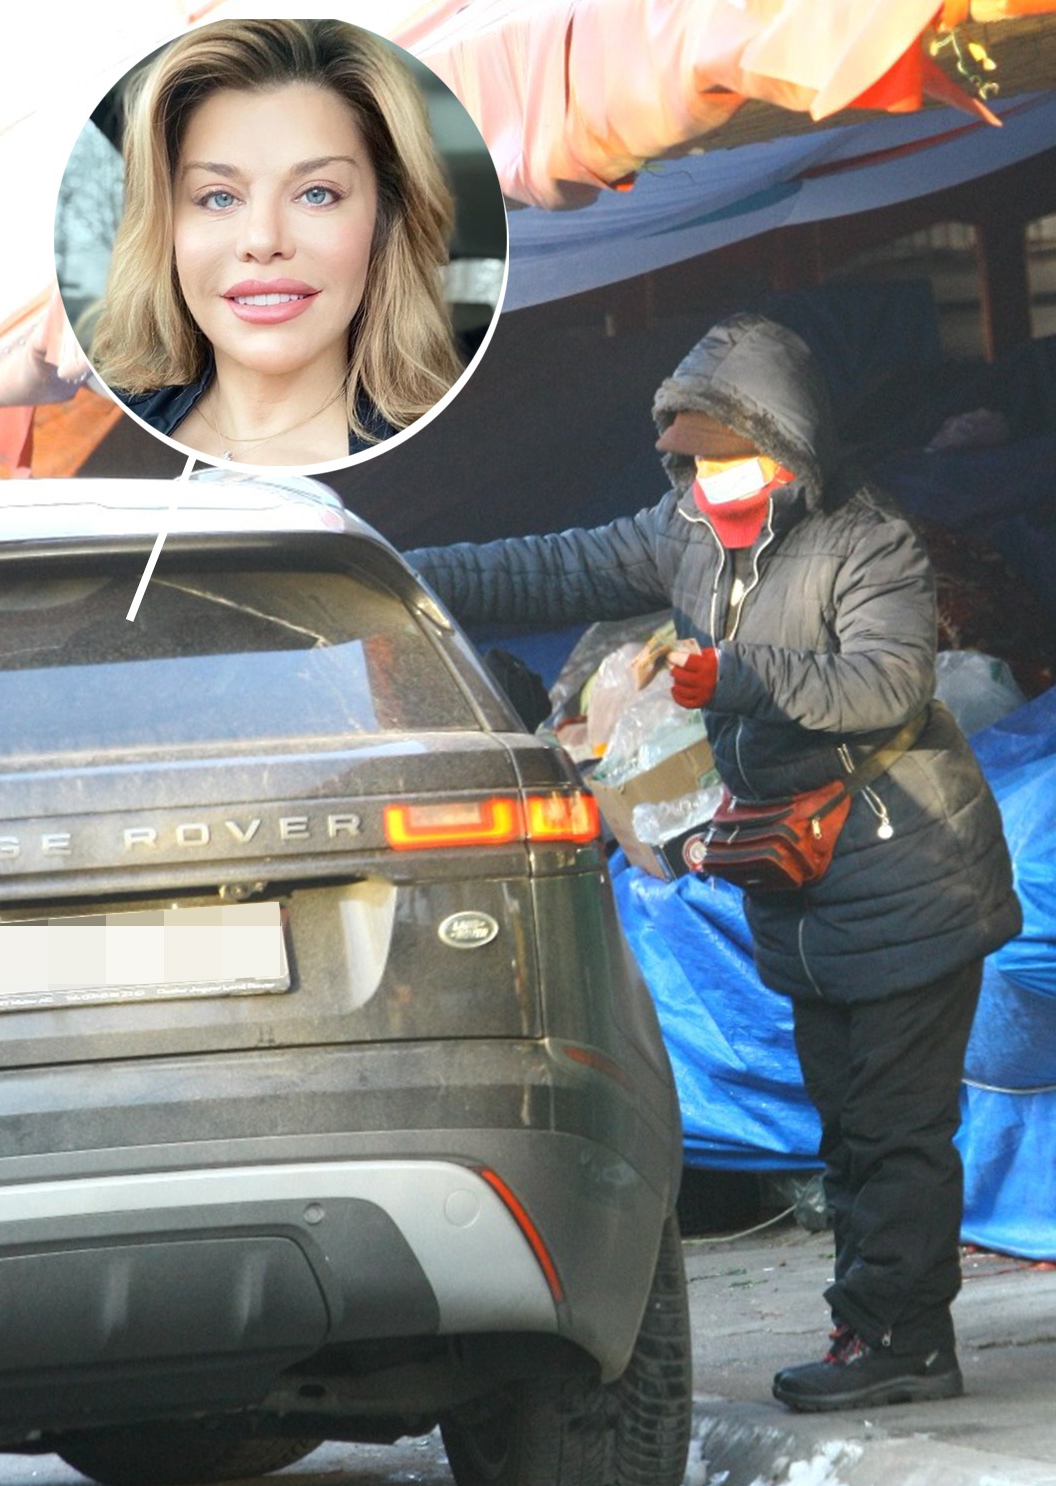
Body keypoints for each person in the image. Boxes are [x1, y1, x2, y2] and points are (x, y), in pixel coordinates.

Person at [408, 310, 1022, 1412]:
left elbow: (888, 685)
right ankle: (871, 1329)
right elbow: (550, 566)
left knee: (896, 1129)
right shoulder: (686, 528)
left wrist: (732, 676)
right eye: (694, 463)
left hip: (911, 868)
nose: (712, 483)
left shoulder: (869, 542)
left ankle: (904, 1343)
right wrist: (393, 572)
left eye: (734, 460)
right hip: (806, 878)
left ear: (791, 447)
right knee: (849, 1123)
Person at [87, 18, 463, 466]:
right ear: (165, 229)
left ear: (385, 219)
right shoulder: (105, 423)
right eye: (219, 197)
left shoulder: (447, 460)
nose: (263, 240)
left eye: (317, 193)